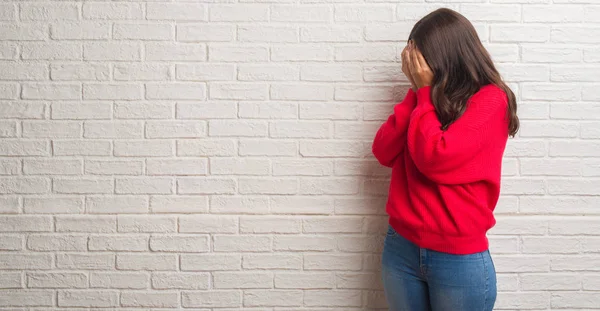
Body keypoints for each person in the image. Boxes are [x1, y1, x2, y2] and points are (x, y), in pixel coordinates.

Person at [372, 8, 519, 311]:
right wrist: (417, 93)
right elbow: (384, 150)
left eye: (420, 58)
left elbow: (436, 157)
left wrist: (424, 92)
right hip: (401, 247)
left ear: (444, 55)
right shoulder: (424, 99)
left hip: (457, 258)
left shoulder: (491, 100)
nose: (415, 66)